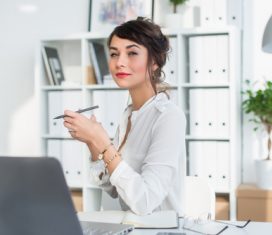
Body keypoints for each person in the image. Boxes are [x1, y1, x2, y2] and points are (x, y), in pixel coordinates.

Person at [63, 17, 186, 216]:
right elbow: (112, 187)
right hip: (129, 227)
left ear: (154, 61)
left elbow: (144, 202)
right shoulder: (129, 114)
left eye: (132, 53)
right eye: (114, 54)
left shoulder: (169, 117)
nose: (119, 62)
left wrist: (101, 141)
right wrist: (92, 143)